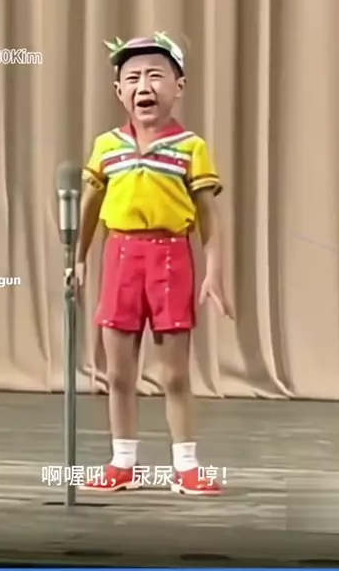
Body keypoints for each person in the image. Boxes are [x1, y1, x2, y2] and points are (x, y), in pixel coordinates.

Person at [75, 32, 234, 496]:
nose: (144, 86)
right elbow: (90, 205)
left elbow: (208, 215)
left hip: (170, 259)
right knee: (118, 373)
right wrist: (76, 258)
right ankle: (123, 462)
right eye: (133, 78)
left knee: (174, 373)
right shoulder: (107, 146)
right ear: (118, 90)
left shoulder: (190, 147)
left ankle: (186, 465)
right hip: (121, 257)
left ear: (178, 86)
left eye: (155, 76)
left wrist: (214, 271)